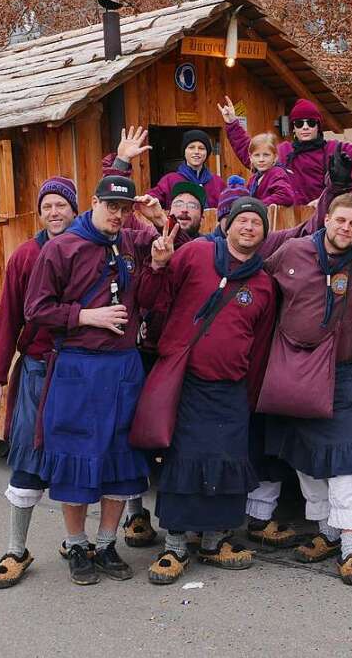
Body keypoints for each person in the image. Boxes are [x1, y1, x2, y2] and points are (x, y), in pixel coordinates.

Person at [23, 171, 164, 586]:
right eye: (111, 206)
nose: (118, 214)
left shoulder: (132, 242)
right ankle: (77, 545)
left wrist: (158, 222)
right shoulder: (61, 248)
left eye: (124, 208)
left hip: (123, 368)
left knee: (118, 456)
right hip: (77, 367)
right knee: (74, 457)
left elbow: (178, 254)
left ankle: (106, 543)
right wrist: (85, 316)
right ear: (94, 202)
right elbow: (35, 309)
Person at [135, 197, 277, 585]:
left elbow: (260, 343)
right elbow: (154, 299)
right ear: (226, 224)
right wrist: (159, 265)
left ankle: (215, 541)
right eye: (243, 220)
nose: (249, 227)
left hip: (231, 387)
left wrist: (249, 394)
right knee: (183, 461)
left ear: (264, 234)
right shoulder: (196, 253)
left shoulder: (263, 283)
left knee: (227, 461)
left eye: (257, 223)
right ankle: (176, 544)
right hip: (187, 380)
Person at [261, 193, 352, 585]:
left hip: (343, 375)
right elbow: (251, 272)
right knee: (304, 457)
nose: (346, 229)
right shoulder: (291, 252)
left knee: (346, 460)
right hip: (293, 370)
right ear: (327, 219)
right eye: (340, 221)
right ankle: (327, 530)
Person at [0, 176, 81, 588]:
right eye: (48, 206)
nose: (54, 212)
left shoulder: (91, 251)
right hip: (39, 370)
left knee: (83, 455)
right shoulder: (25, 256)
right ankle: (15, 548)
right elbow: (8, 318)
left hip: (81, 371)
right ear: (39, 213)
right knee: (28, 455)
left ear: (76, 210)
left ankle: (79, 543)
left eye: (62, 204)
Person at [220, 97, 352, 205]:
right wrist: (233, 124)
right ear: (293, 127)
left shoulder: (334, 149)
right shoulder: (283, 151)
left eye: (311, 123)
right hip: (290, 221)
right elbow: (252, 154)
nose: (305, 127)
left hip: (323, 218)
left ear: (318, 126)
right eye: (300, 123)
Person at [217, 101, 296, 205]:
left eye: (266, 155)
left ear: (275, 157)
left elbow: (285, 196)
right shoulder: (254, 178)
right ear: (250, 157)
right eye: (257, 155)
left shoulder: (276, 173)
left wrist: (257, 206)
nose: (261, 159)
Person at [147, 130, 225, 209]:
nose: (196, 152)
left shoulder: (217, 182)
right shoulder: (169, 180)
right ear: (184, 152)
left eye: (201, 148)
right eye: (191, 147)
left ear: (207, 153)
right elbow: (153, 198)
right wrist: (149, 199)